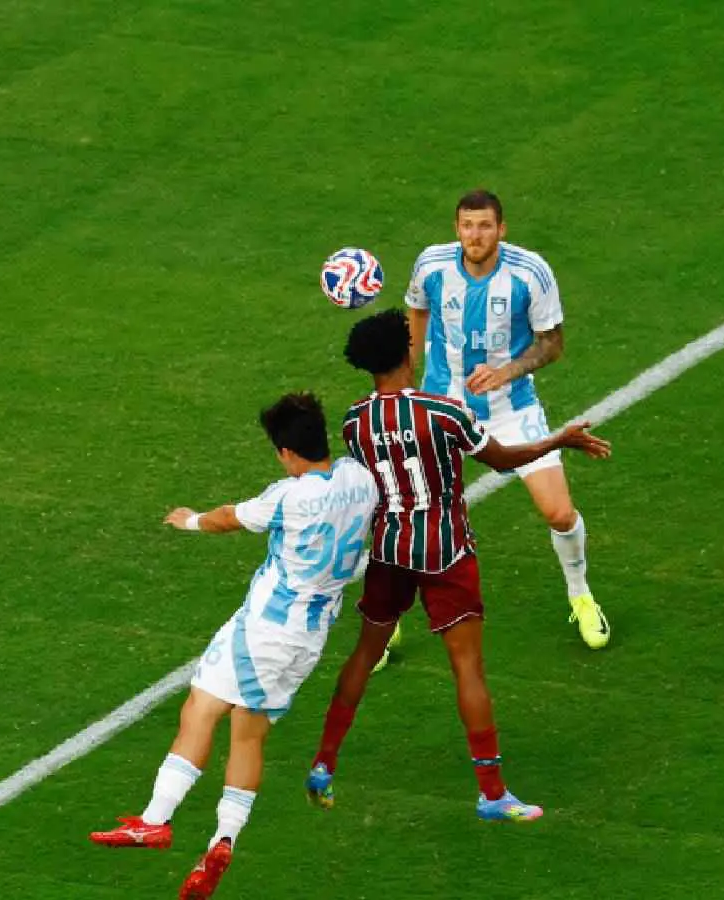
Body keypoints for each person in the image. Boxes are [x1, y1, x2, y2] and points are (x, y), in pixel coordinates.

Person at [304, 310, 611, 822]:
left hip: (389, 550)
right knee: (467, 667)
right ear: (406, 353)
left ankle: (324, 763)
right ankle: (492, 793)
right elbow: (503, 460)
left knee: (363, 654)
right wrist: (558, 441)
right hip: (446, 552)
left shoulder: (355, 421)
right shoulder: (444, 412)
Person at [89, 393, 379, 900]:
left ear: (286, 452)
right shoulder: (361, 479)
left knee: (200, 708)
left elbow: (229, 517)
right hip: (310, 638)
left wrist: (190, 519)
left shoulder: (289, 496)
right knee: (249, 734)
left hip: (265, 628)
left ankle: (155, 820)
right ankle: (223, 840)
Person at [402, 189, 610, 647]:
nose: (475, 235)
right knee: (406, 516)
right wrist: (408, 380)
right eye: (467, 225)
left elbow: (552, 344)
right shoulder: (432, 266)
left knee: (559, 512)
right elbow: (416, 312)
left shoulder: (529, 273)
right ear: (456, 228)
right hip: (441, 406)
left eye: (485, 226)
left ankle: (580, 595)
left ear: (501, 229)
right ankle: (384, 624)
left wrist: (507, 372)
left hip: (509, 409)